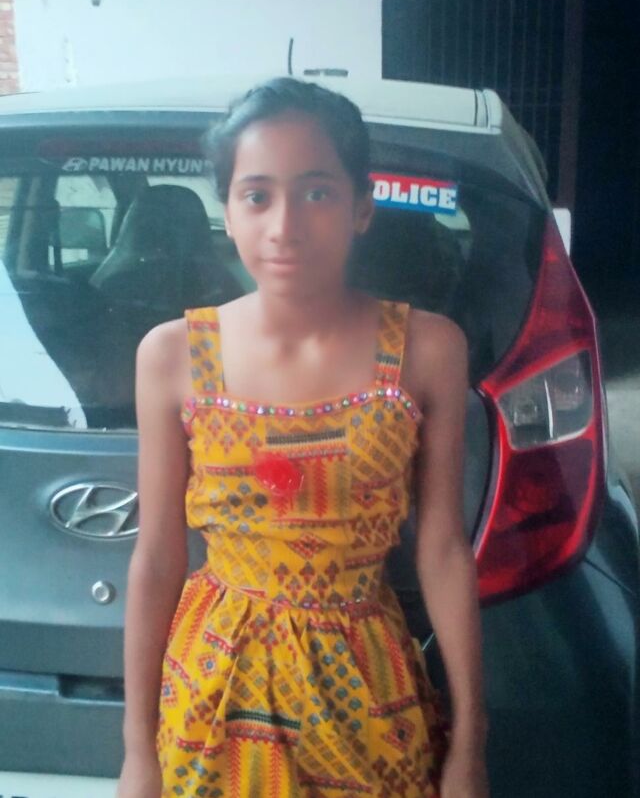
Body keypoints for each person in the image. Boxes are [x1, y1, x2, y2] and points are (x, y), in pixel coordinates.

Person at [117, 77, 489, 798]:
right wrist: (138, 751)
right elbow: (157, 558)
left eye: (317, 192)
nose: (285, 225)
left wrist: (470, 744)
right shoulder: (171, 355)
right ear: (228, 211)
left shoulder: (426, 349)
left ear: (361, 208)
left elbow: (442, 549)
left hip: (368, 702)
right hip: (212, 702)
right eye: (257, 195)